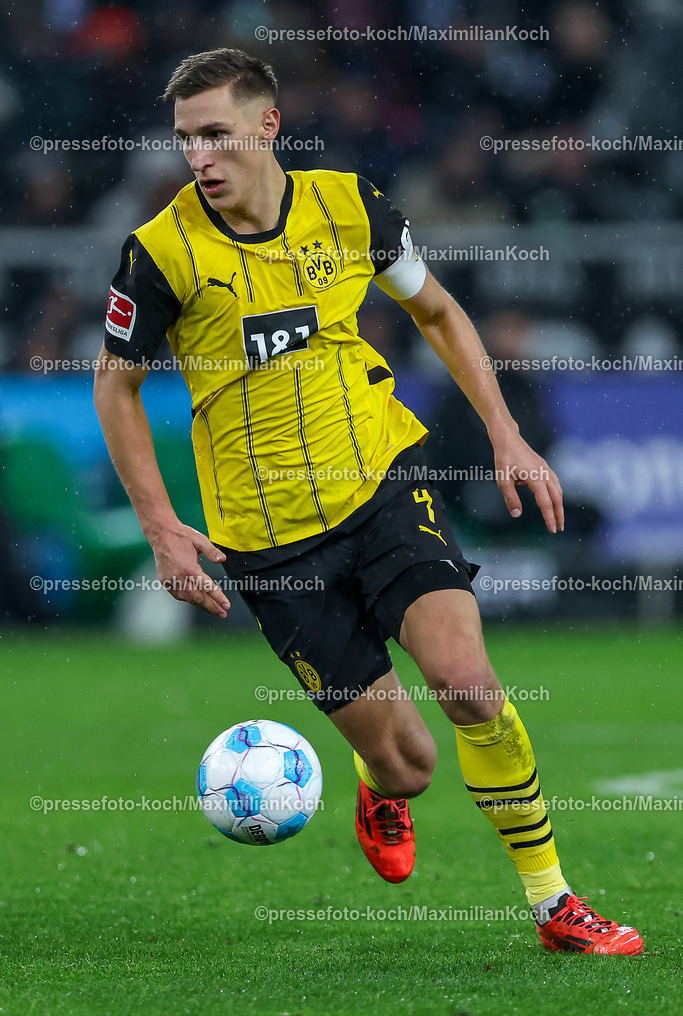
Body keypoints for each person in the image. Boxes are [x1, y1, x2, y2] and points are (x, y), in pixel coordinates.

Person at [94, 48, 642, 956]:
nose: (200, 158)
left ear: (267, 127)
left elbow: (435, 311)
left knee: (468, 686)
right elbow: (116, 387)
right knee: (411, 765)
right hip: (269, 545)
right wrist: (160, 528)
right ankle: (375, 780)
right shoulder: (160, 253)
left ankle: (553, 905)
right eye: (187, 140)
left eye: (217, 136)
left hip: (383, 483)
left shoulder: (350, 206)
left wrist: (505, 434)